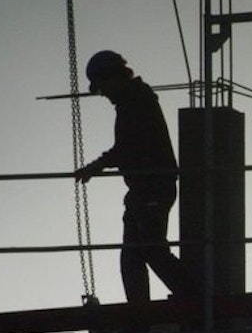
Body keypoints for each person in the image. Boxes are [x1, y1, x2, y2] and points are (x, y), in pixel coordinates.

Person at [75, 50, 192, 303]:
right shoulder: (135, 100)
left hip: (152, 187)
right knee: (133, 256)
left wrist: (96, 167)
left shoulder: (136, 101)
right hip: (144, 188)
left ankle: (193, 298)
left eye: (102, 86)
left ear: (113, 77)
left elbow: (128, 146)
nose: (103, 93)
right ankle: (143, 315)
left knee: (149, 248)